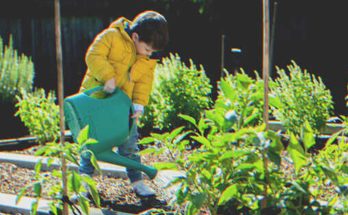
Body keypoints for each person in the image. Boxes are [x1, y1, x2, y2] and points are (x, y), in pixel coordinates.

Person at [77, 10, 169, 199]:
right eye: (148, 49)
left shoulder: (144, 58)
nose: (149, 54)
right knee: (91, 143)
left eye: (152, 52)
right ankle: (84, 183)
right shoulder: (111, 36)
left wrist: (138, 105)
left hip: (122, 107)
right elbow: (93, 56)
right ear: (135, 36)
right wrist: (107, 76)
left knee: (129, 144)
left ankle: (137, 182)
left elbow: (144, 83)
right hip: (97, 101)